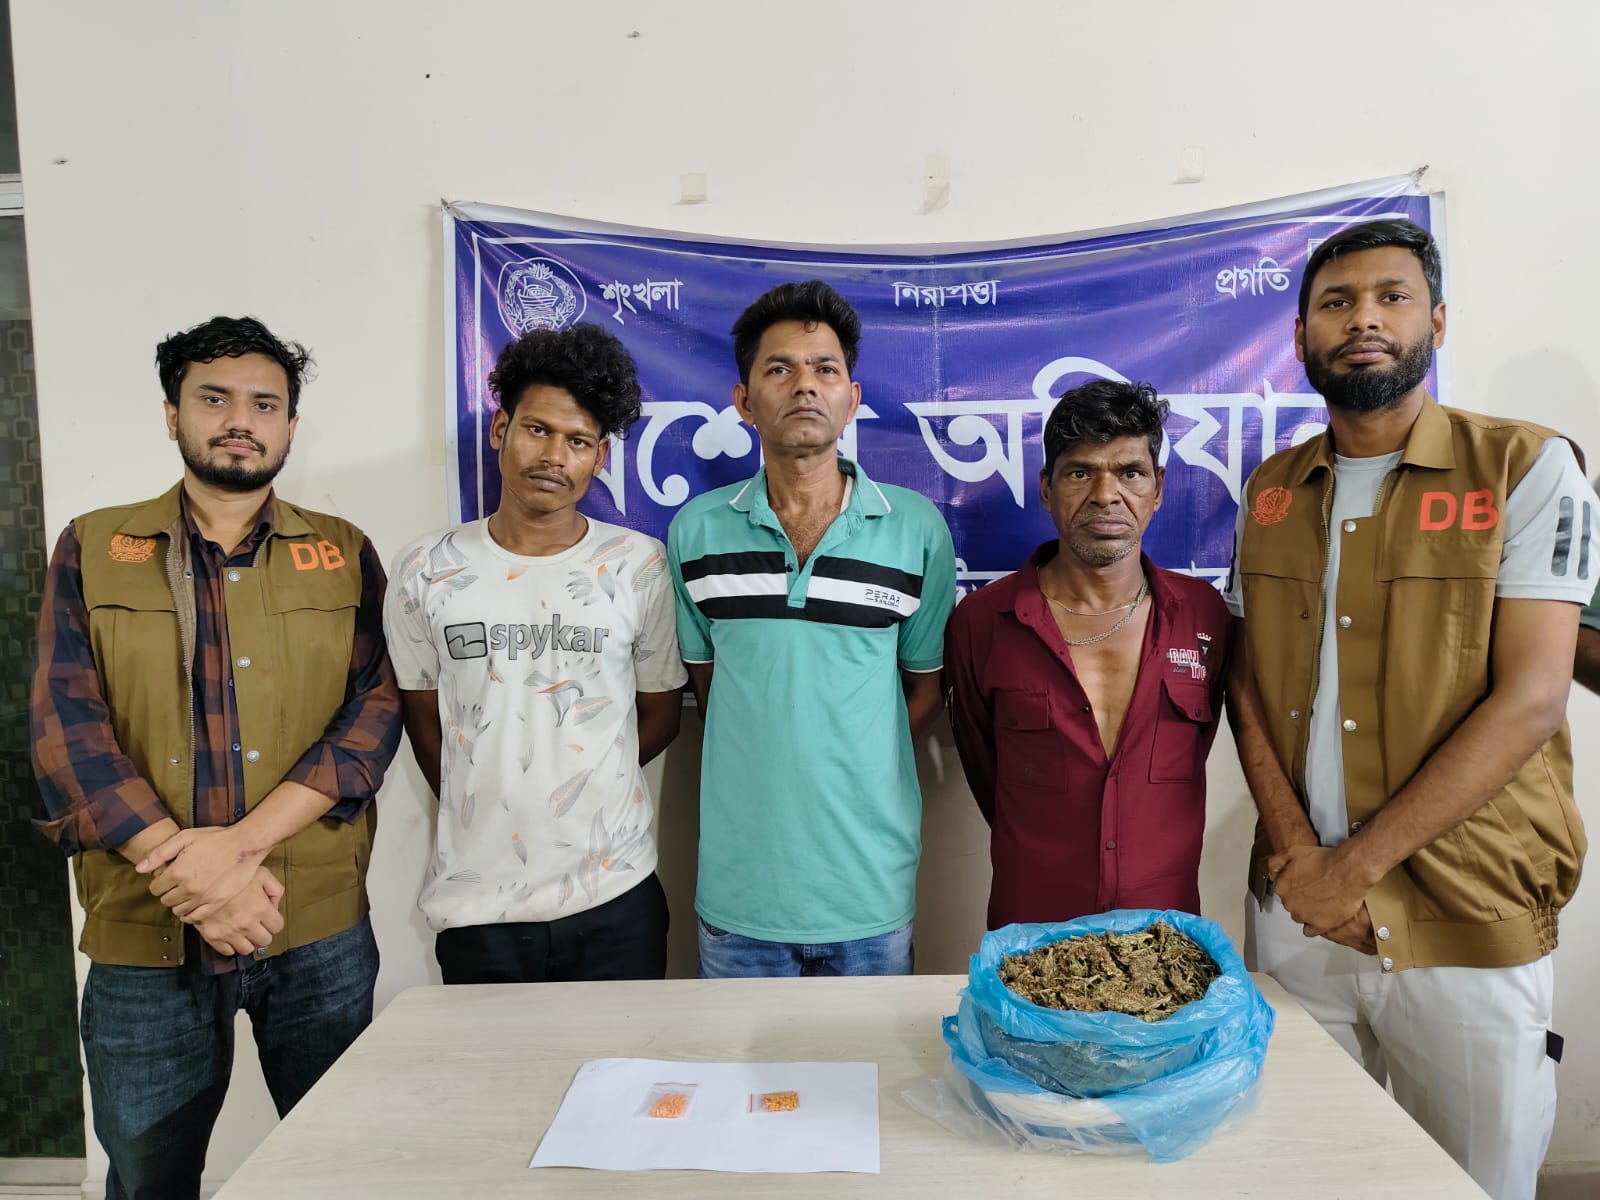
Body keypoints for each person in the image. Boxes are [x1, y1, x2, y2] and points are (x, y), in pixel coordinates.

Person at [1226, 219, 1592, 1200]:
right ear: (1300, 336)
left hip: (1463, 915)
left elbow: (1531, 699)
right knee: (1303, 1177)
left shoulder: (1523, 467)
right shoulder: (1270, 490)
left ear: (1436, 320)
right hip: (1299, 916)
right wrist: (1302, 861)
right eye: (1336, 303)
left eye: (1391, 297)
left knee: (1474, 1184)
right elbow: (1244, 683)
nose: (1364, 321)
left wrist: (1353, 869)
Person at [31, 315, 402, 1200]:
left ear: (290, 425)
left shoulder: (342, 551)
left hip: (313, 928)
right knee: (148, 1180)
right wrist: (191, 873)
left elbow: (372, 716)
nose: (241, 420)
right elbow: (66, 730)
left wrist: (237, 851)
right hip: (146, 934)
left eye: (264, 404)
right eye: (215, 399)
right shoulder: (94, 546)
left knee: (343, 1174)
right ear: (172, 414)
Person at [667, 280, 956, 977]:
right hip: (740, 897)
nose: (804, 385)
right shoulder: (695, 531)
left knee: (872, 1054)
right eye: (780, 368)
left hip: (869, 893)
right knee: (734, 1057)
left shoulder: (915, 529)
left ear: (851, 399)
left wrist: (847, 751)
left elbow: (923, 690)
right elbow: (712, 689)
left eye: (825, 369)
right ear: (744, 402)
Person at [385, 323, 685, 983]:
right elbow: (422, 716)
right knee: (489, 1058)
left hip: (616, 895)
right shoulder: (426, 568)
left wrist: (578, 780)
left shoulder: (638, 566)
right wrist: (491, 787)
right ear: (500, 429)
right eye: (537, 430)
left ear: (599, 458)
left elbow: (663, 712)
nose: (554, 455)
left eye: (578, 441)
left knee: (624, 1055)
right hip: (477, 902)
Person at [944, 380, 1230, 929]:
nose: (1105, 495)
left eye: (1129, 472)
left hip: (1165, 940)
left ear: (1158, 488)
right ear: (1046, 488)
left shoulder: (1203, 616)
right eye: (1080, 473)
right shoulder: (981, 623)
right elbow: (984, 772)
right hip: (1032, 938)